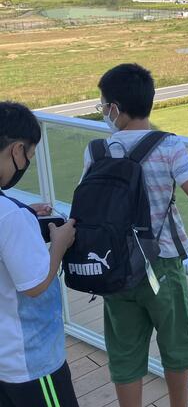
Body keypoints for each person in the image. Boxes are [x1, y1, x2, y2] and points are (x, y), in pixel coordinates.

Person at [87, 64, 188, 407]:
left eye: (103, 105)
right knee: (175, 344)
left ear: (115, 108)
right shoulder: (169, 145)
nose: (104, 112)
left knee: (124, 351)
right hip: (162, 263)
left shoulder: (97, 151)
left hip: (115, 266)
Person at [0, 101, 79, 407]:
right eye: (29, 156)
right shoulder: (10, 217)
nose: (26, 163)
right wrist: (59, 245)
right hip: (31, 362)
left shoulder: (11, 214)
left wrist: (25, 213)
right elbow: (34, 286)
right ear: (17, 150)